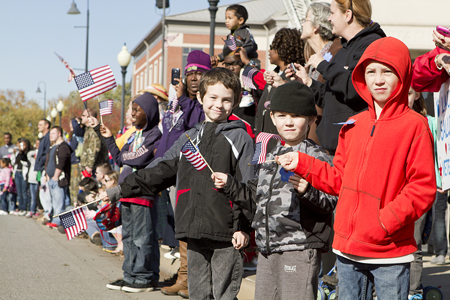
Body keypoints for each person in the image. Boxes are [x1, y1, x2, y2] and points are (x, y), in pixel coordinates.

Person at [277, 37, 436, 300]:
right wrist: (302, 163)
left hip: (390, 252)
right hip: (346, 249)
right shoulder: (353, 124)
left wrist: (384, 223)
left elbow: (422, 189)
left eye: (387, 71)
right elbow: (338, 179)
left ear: (403, 75)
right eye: (371, 71)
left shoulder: (415, 126)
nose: (378, 79)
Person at [102, 68, 254, 299]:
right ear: (201, 98)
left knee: (223, 294)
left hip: (227, 234)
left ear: (235, 103)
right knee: (197, 293)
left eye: (226, 100)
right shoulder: (188, 138)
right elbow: (158, 171)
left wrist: (243, 227)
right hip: (193, 231)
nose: (219, 104)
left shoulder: (240, 137)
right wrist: (119, 190)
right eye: (213, 97)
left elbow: (249, 186)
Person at [212, 81, 337, 299]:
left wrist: (307, 191)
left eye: (296, 116)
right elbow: (255, 197)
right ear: (272, 118)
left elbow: (331, 200)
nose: (288, 122)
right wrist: (230, 185)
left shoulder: (317, 156)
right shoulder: (269, 155)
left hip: (299, 247)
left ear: (311, 120)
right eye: (282, 115)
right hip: (267, 247)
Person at [288, 0, 385, 156]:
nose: (329, 19)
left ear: (348, 15)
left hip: (356, 150)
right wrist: (308, 82)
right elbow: (331, 98)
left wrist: (323, 65)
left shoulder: (370, 45)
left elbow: (354, 88)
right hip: (336, 150)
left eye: (332, 13)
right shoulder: (343, 50)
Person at [94, 92, 162, 293]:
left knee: (142, 238)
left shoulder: (154, 135)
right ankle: (130, 275)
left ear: (148, 113)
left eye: (137, 109)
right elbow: (119, 158)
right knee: (130, 237)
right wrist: (109, 139)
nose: (132, 113)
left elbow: (137, 159)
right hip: (127, 193)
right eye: (131, 109)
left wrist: (124, 155)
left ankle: (144, 277)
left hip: (142, 194)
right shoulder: (133, 134)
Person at [158, 50, 211, 298]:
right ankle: (184, 277)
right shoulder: (178, 99)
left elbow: (199, 123)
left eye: (199, 73)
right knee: (181, 225)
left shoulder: (206, 101)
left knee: (192, 224)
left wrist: (184, 100)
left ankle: (193, 279)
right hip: (176, 169)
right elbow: (169, 130)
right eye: (190, 73)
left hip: (197, 171)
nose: (193, 78)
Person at [300, 2, 342, 145]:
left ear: (316, 26)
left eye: (305, 20)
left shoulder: (336, 54)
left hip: (326, 141)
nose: (301, 24)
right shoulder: (317, 57)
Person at [255, 28, 305, 136]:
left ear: (283, 48)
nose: (269, 51)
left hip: (279, 143)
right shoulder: (274, 75)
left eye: (272, 47)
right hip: (263, 143)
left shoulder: (295, 77)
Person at [43, 126, 73, 231]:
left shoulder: (63, 147)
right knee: (55, 201)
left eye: (53, 133)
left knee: (60, 202)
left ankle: (57, 222)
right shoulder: (53, 147)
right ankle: (57, 221)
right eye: (50, 134)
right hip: (51, 178)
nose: (51, 136)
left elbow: (61, 162)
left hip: (59, 180)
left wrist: (56, 176)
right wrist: (47, 175)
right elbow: (48, 162)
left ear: (59, 134)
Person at [79, 109, 109, 178]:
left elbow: (95, 148)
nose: (81, 117)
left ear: (89, 117)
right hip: (89, 167)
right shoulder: (88, 129)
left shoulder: (93, 130)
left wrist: (90, 166)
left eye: (83, 115)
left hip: (95, 168)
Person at [11, 138, 31, 216]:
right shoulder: (17, 153)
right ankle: (20, 208)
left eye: (22, 144)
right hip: (17, 173)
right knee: (19, 192)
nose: (20, 146)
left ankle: (24, 208)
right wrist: (14, 153)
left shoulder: (27, 153)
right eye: (19, 144)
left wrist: (22, 153)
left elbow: (26, 163)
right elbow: (13, 162)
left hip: (23, 174)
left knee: (24, 192)